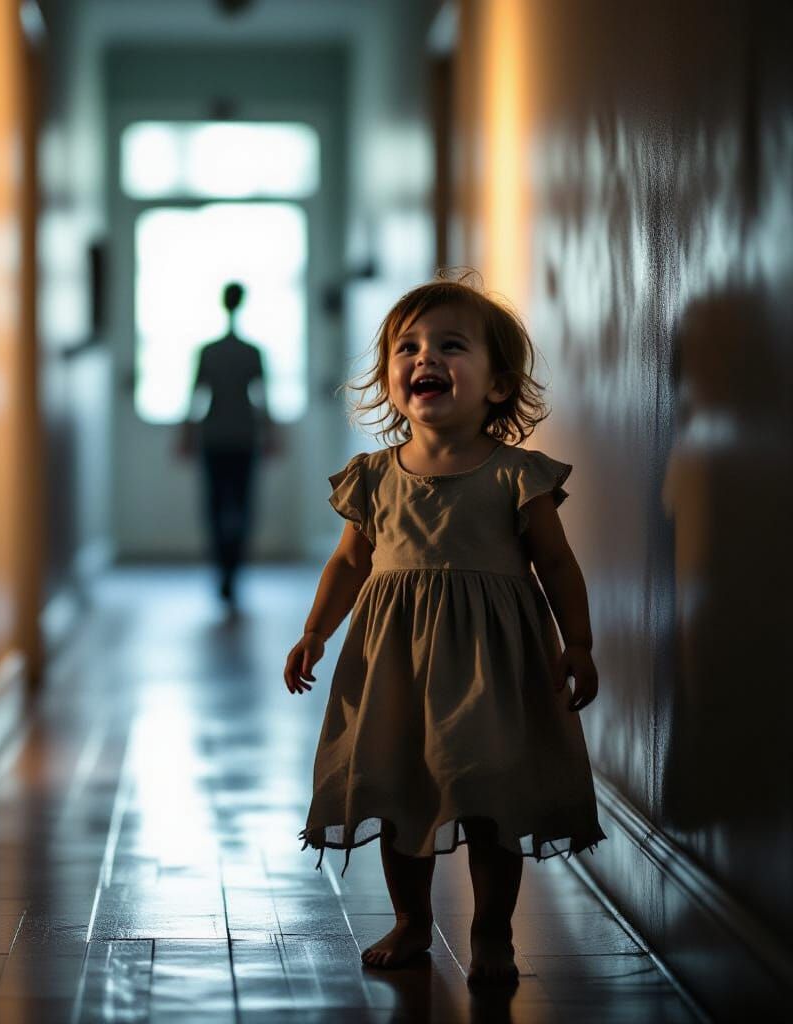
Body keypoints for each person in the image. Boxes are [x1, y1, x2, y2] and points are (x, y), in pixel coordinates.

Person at [282, 268, 605, 986]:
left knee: (490, 794)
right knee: (399, 788)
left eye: (450, 346)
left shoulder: (516, 475)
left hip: (495, 667)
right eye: (408, 348)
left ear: (496, 384)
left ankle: (491, 929)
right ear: (390, 377)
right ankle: (411, 919)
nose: (425, 359)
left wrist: (577, 642)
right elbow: (347, 564)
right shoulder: (372, 476)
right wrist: (315, 631)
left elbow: (556, 564)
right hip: (394, 661)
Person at [176, 282, 279, 608]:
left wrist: (187, 434)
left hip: (216, 436)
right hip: (243, 436)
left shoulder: (209, 352)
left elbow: (197, 397)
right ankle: (232, 572)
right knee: (242, 506)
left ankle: (225, 571)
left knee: (216, 505)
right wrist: (271, 434)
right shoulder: (251, 353)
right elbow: (262, 399)